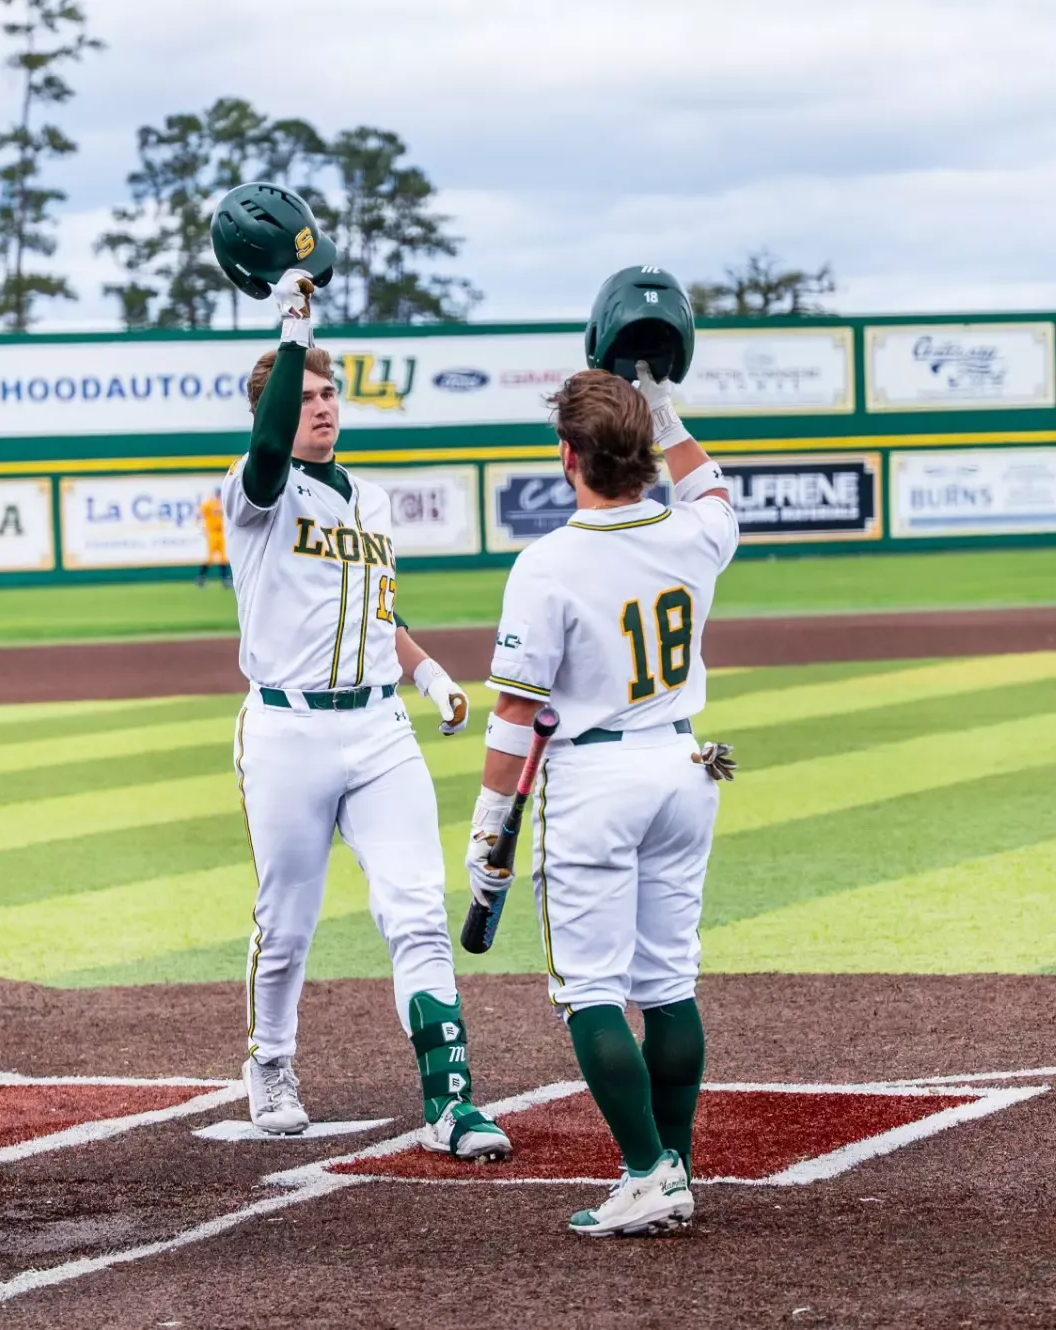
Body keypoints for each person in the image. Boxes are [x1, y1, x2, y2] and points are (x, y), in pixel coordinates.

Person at [217, 265, 512, 1161]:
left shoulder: (371, 499)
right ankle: (270, 1060)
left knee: (417, 910)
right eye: (304, 395)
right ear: (273, 412)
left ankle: (450, 1102)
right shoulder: (255, 488)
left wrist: (429, 678)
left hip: (379, 727)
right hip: (288, 730)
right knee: (289, 922)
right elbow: (271, 451)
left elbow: (381, 615)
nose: (321, 405)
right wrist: (293, 323)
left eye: (329, 392)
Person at [470, 358, 739, 1237]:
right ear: (644, 453)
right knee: (667, 980)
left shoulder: (548, 562)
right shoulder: (695, 534)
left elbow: (515, 714)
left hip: (596, 778)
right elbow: (714, 489)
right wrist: (664, 406)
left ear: (568, 457)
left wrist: (487, 826)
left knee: (591, 990)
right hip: (687, 764)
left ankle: (644, 1170)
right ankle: (677, 1167)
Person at [197, 491, 231, 589]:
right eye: (217, 494)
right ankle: (201, 577)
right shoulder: (209, 504)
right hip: (212, 533)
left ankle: (225, 580)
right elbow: (200, 512)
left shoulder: (222, 504)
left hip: (221, 533)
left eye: (219, 494)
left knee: (223, 558)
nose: (218, 496)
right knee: (210, 558)